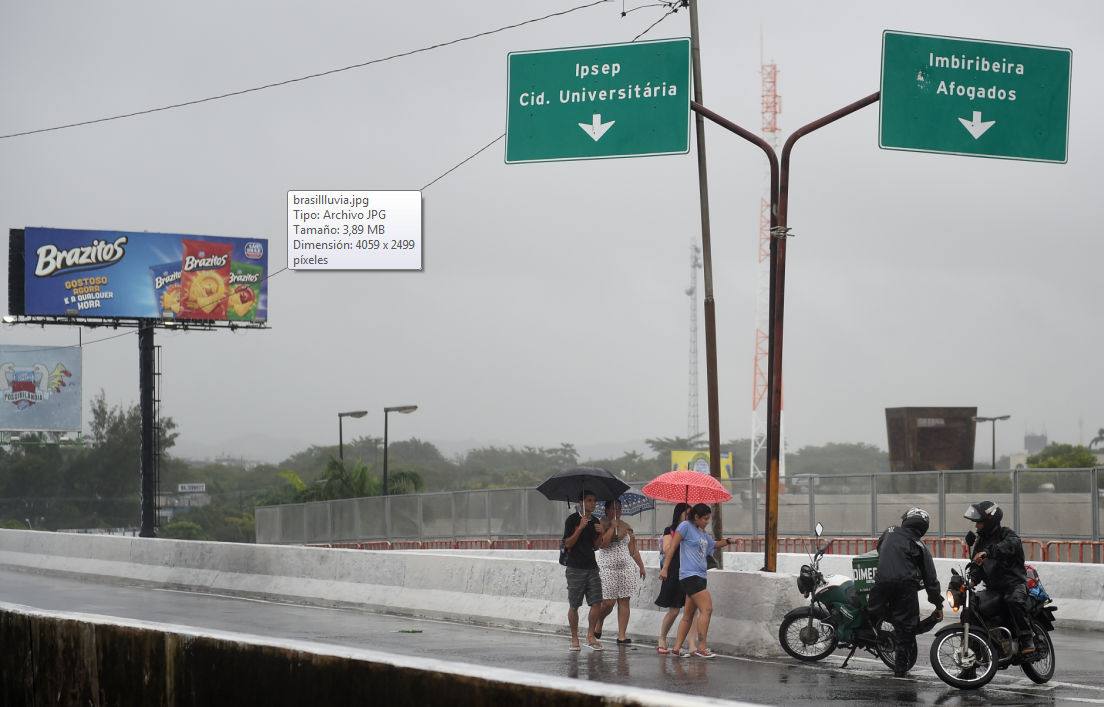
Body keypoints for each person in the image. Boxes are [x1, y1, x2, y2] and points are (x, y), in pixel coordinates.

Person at [867, 507, 944, 678]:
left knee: (872, 609)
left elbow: (880, 548)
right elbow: (931, 580)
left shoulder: (890, 531)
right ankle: (900, 670)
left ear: (907, 519)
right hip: (905, 585)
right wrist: (938, 604)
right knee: (906, 628)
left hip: (882, 581)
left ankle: (868, 634)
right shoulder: (921, 546)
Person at [660, 502, 737, 658]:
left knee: (689, 614)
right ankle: (702, 647)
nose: (707, 522)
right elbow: (673, 547)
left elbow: (713, 544)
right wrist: (665, 568)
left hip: (701, 576)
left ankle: (677, 648)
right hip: (689, 576)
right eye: (705, 519)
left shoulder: (701, 533)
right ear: (696, 517)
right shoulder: (685, 527)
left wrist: (729, 540)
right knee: (707, 609)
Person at [965, 500, 1034, 654]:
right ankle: (971, 663)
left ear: (990, 521)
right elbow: (977, 567)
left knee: (1013, 600)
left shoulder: (1008, 535)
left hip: (1014, 584)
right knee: (973, 607)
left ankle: (1026, 637)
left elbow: (1008, 546)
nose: (976, 526)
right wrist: (971, 580)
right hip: (993, 589)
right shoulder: (980, 542)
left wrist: (987, 553)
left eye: (979, 522)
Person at [593, 499, 646, 644]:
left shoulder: (626, 527)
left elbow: (633, 549)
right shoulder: (601, 525)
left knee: (624, 600)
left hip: (626, 568)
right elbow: (602, 544)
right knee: (608, 602)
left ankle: (622, 635)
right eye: (614, 508)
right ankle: (599, 622)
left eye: (619, 509)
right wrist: (611, 528)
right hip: (607, 568)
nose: (617, 512)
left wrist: (641, 566)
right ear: (607, 510)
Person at [562, 489, 609, 651]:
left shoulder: (595, 521)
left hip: (591, 566)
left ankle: (590, 636)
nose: (593, 504)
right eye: (589, 500)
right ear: (581, 503)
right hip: (575, 567)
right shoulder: (572, 520)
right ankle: (575, 638)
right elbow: (568, 544)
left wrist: (601, 535)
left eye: (594, 500)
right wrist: (580, 528)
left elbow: (595, 547)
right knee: (574, 604)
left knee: (597, 601)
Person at [654, 502, 700, 654]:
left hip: (691, 572)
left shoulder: (695, 530)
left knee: (692, 611)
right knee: (674, 611)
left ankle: (692, 645)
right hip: (674, 572)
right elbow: (667, 550)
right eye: (686, 514)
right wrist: (679, 537)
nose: (689, 517)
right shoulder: (671, 530)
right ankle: (662, 638)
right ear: (678, 514)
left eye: (690, 514)